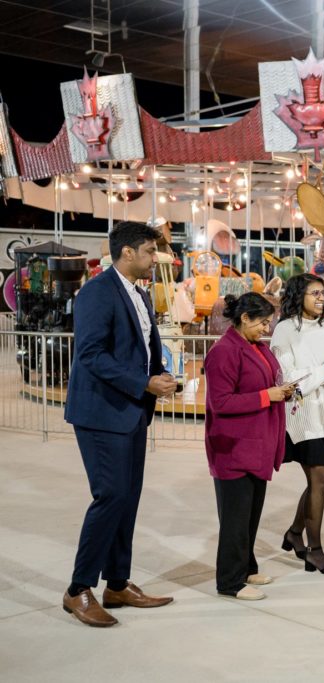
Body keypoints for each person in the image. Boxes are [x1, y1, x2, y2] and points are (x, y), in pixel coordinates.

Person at [62, 221, 176, 627]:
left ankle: (117, 583)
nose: (153, 258)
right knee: (110, 495)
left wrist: (159, 374)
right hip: (101, 413)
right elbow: (91, 355)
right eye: (148, 251)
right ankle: (78, 589)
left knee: (127, 498)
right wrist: (142, 382)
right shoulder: (97, 292)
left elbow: (143, 348)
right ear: (127, 252)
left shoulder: (140, 294)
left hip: (131, 410)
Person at [204, 293, 293, 601]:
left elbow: (268, 382)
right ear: (244, 318)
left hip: (257, 444)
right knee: (235, 517)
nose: (266, 328)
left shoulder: (256, 347)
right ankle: (229, 581)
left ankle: (245, 567)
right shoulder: (224, 352)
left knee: (250, 514)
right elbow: (221, 402)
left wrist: (284, 391)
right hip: (234, 447)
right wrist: (269, 395)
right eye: (263, 322)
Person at [271, 274, 324, 575]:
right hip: (304, 416)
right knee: (318, 481)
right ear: (298, 295)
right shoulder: (284, 330)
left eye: (323, 293)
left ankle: (294, 532)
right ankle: (314, 551)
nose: (321, 298)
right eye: (314, 293)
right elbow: (286, 378)